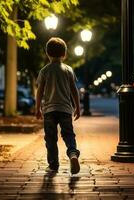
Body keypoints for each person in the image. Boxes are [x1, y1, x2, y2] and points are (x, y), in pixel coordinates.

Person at [36, 37, 81, 174]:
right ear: (64, 54)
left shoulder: (44, 71)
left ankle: (53, 165)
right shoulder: (68, 70)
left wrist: (37, 108)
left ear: (47, 53)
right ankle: (73, 153)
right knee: (68, 134)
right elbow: (74, 91)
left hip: (49, 110)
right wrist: (78, 107)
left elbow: (40, 91)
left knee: (50, 138)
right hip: (66, 109)